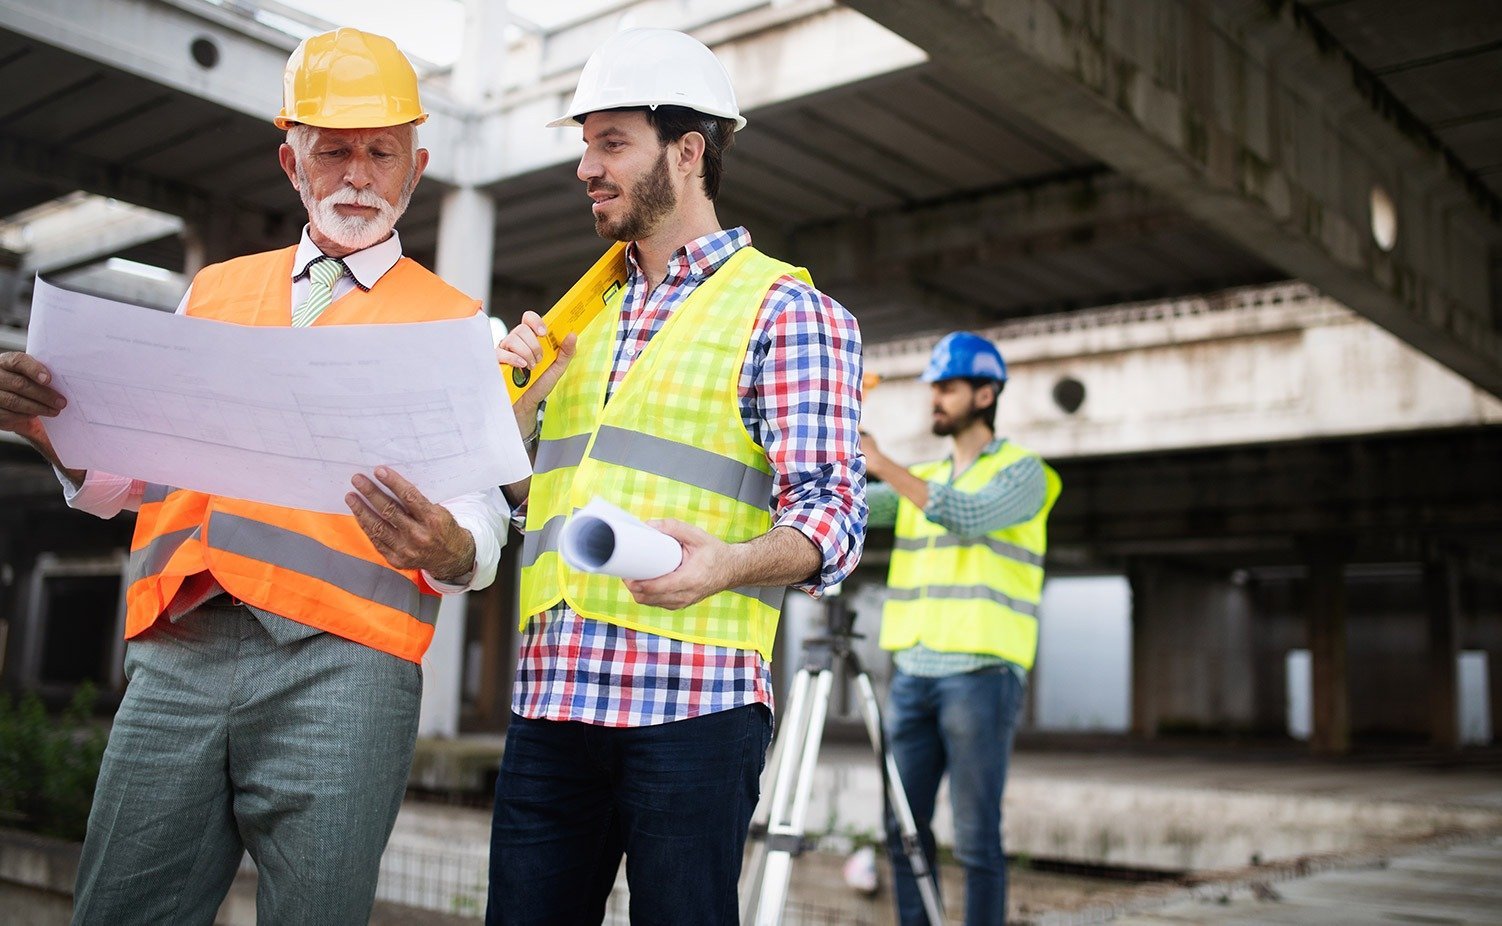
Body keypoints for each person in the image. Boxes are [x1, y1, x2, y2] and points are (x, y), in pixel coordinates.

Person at [0, 28, 510, 925]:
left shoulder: (458, 324)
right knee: (119, 911)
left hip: (345, 671)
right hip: (179, 651)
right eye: (334, 150)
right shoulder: (213, 292)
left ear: (417, 167)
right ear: (291, 162)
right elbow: (131, 477)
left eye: (381, 152)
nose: (358, 175)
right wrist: (52, 434)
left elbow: (482, 519)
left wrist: (451, 546)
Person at [488, 28, 866, 924]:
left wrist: (729, 564)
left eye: (612, 142)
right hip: (553, 699)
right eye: (586, 143)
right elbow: (541, 510)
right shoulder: (578, 320)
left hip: (692, 710)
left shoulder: (786, 312)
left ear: (688, 152)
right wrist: (512, 430)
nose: (586, 166)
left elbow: (836, 516)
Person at [862, 332, 1061, 926]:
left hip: (981, 676)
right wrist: (837, 452)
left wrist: (884, 464)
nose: (936, 398)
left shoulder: (1026, 473)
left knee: (976, 839)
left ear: (985, 394)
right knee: (902, 829)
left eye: (947, 388)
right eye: (934, 388)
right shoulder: (920, 476)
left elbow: (968, 515)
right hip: (912, 674)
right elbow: (858, 505)